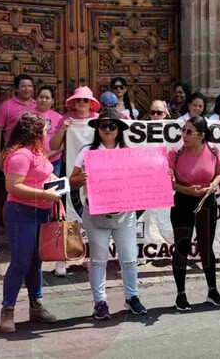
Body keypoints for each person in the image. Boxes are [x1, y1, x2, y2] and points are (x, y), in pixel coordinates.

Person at [69, 108, 147, 320]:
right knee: (98, 260)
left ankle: (132, 297)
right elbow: (72, 180)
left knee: (130, 259)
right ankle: (100, 302)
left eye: (112, 126)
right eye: (104, 125)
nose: (108, 129)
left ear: (119, 129)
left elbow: (141, 178)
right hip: (96, 213)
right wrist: (82, 179)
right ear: (98, 128)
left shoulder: (127, 152)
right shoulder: (87, 151)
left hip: (124, 214)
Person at [0, 113, 60, 333]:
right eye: (44, 129)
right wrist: (44, 195)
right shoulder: (21, 156)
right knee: (20, 261)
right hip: (21, 212)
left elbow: (44, 175)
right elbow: (13, 186)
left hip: (42, 212)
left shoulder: (38, 152)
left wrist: (54, 182)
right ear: (35, 132)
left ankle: (36, 305)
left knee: (36, 261)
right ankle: (8, 309)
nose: (47, 133)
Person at [168, 116, 220, 310]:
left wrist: (212, 186)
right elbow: (168, 181)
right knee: (182, 247)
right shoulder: (175, 152)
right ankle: (180, 294)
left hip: (206, 201)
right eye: (183, 130)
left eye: (189, 132)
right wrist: (187, 190)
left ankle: (212, 290)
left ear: (201, 135)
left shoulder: (214, 149)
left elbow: (219, 173)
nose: (184, 135)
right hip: (183, 202)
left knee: (205, 247)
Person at [49, 86, 100, 277]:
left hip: (96, 174)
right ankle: (63, 257)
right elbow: (54, 145)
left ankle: (90, 257)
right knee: (67, 215)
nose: (82, 103)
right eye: (78, 100)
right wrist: (63, 129)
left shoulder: (99, 120)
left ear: (91, 103)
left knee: (94, 215)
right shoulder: (66, 120)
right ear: (73, 102)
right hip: (72, 173)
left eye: (85, 100)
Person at [0, 74, 36, 169]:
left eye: (30, 86)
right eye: (23, 86)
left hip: (34, 153)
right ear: (17, 89)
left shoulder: (37, 105)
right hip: (13, 151)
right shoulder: (6, 105)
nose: (27, 89)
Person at [34, 86, 64, 175]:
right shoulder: (28, 114)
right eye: (41, 97)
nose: (43, 100)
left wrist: (46, 156)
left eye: (47, 98)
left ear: (52, 101)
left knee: (53, 187)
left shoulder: (59, 118)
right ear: (36, 99)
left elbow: (62, 144)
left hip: (54, 161)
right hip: (32, 161)